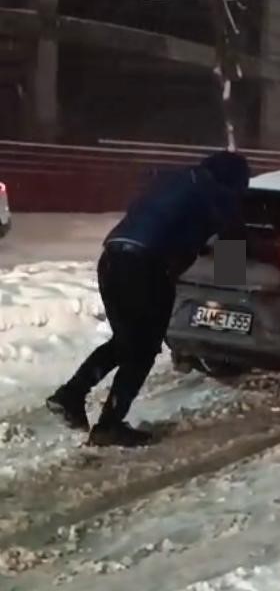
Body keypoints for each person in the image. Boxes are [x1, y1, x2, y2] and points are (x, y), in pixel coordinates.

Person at [45, 152, 250, 447]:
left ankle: (70, 396)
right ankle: (108, 425)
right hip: (146, 268)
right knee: (143, 349)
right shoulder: (218, 194)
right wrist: (236, 279)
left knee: (126, 341)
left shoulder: (174, 181)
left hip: (112, 259)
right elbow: (231, 249)